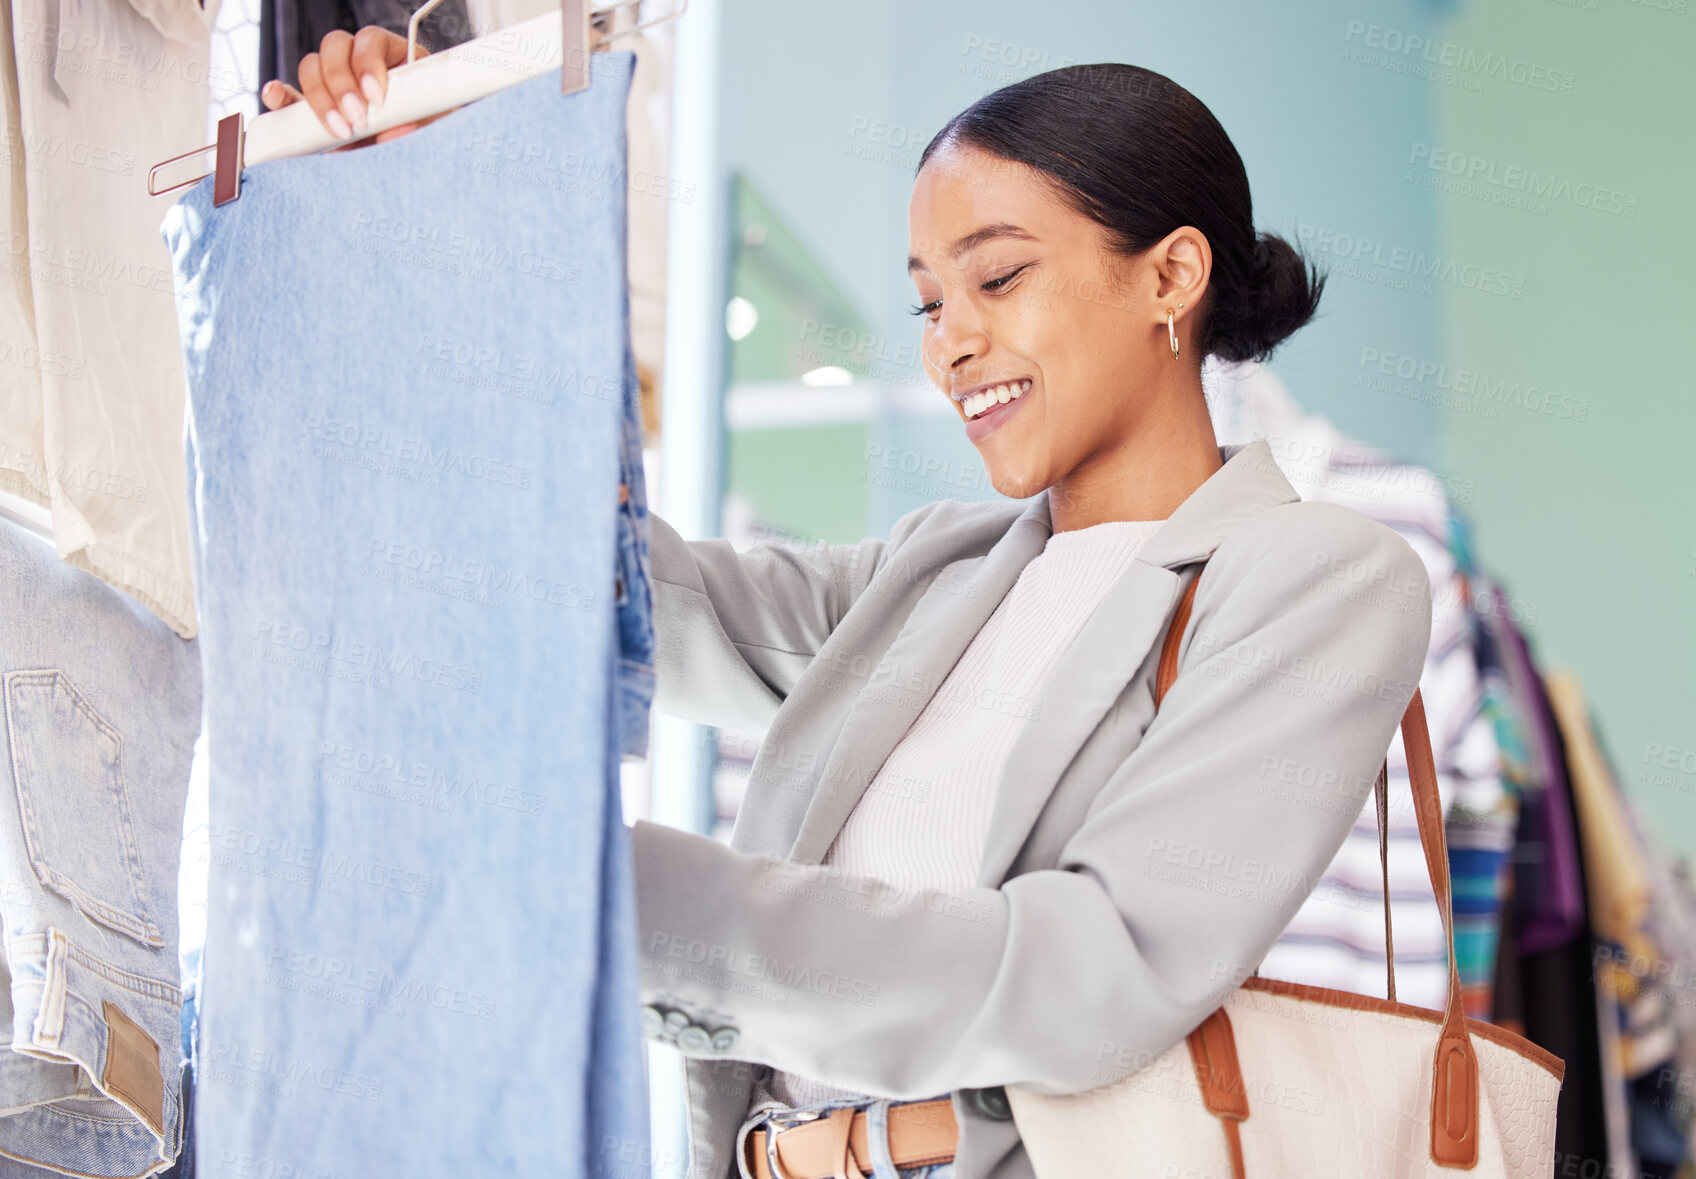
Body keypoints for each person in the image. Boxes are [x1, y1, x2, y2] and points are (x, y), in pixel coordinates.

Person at [265, 35, 1433, 1179]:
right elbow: (602, 590)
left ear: (1170, 275)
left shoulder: (1317, 581)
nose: (950, 344)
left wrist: (611, 891)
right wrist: (423, 218)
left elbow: (1094, 971)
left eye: (998, 276)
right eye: (929, 303)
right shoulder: (934, 572)